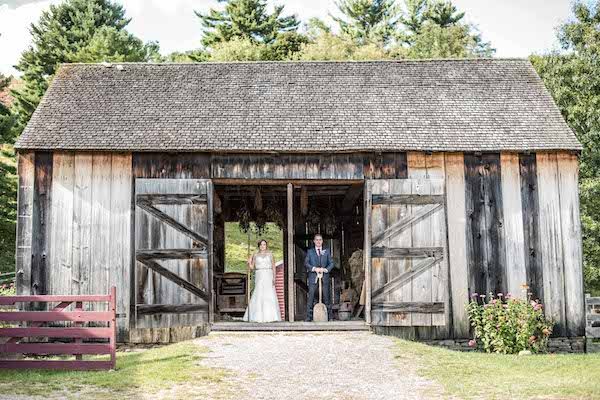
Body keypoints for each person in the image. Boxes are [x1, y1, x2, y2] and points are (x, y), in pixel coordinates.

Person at [243, 239, 282, 322]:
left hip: (268, 273)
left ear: (266, 245)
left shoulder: (270, 254)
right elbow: (252, 267)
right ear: (259, 246)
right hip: (259, 274)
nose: (262, 246)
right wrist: (249, 262)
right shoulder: (255, 255)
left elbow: (273, 267)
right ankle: (257, 316)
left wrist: (274, 277)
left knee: (269, 293)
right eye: (261, 245)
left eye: (264, 244)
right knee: (259, 293)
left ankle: (270, 316)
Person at [304, 234, 334, 321]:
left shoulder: (326, 251)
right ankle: (309, 317)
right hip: (313, 277)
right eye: (316, 240)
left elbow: (331, 263)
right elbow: (306, 263)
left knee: (326, 296)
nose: (318, 241)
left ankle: (330, 317)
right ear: (314, 241)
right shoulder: (310, 252)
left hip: (324, 277)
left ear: (322, 241)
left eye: (320, 240)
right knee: (311, 297)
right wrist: (314, 268)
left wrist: (326, 269)